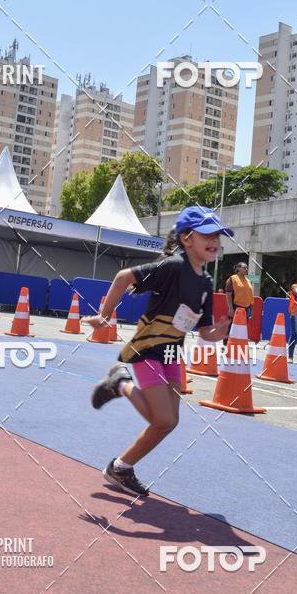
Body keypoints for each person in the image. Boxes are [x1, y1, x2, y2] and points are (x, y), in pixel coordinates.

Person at [85, 206, 231, 496]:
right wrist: (104, 317)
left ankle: (121, 468)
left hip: (172, 354)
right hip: (148, 348)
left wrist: (217, 334)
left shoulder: (205, 282)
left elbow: (203, 330)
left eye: (217, 235)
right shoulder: (173, 267)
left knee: (169, 422)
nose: (214, 240)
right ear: (187, 239)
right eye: (207, 234)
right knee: (162, 419)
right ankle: (121, 384)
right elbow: (123, 277)